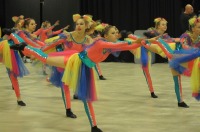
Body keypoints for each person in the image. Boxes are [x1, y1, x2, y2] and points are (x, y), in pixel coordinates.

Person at [14, 16, 143, 132]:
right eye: (77, 24)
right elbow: (54, 43)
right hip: (71, 60)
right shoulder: (96, 41)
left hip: (84, 68)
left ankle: (94, 126)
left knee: (87, 98)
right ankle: (24, 47)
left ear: (86, 26)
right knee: (46, 59)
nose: (79, 26)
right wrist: (134, 41)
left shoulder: (93, 40)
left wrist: (142, 42)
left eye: (82, 24)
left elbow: (123, 46)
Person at [169, 17, 200, 101]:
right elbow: (183, 47)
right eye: (199, 27)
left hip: (189, 59)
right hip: (176, 56)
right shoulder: (186, 36)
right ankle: (180, 101)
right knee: (177, 81)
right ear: (193, 28)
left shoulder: (199, 38)